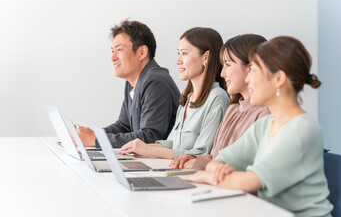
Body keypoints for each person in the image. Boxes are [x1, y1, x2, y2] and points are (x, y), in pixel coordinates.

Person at [186, 36, 333, 216]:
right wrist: (217, 169)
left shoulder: (302, 129)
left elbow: (250, 181)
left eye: (254, 71)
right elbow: (219, 160)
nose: (248, 80)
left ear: (278, 78)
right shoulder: (265, 125)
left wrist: (208, 176)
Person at [119, 27, 229, 159]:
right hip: (173, 168)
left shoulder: (217, 98)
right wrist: (142, 147)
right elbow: (172, 143)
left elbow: (201, 154)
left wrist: (149, 151)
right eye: (179, 53)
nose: (178, 61)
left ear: (206, 57)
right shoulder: (187, 98)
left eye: (185, 53)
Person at [169, 34, 270, 169]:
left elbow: (235, 165)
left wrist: (198, 162)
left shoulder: (265, 114)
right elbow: (216, 155)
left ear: (251, 67)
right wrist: (195, 158)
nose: (222, 74)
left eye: (228, 64)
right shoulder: (233, 109)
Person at [76, 20, 180, 148]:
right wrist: (93, 134)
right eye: (112, 51)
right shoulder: (133, 82)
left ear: (142, 52)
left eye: (119, 50)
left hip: (164, 164)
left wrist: (96, 140)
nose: (112, 57)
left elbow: (151, 137)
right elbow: (124, 126)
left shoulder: (156, 81)